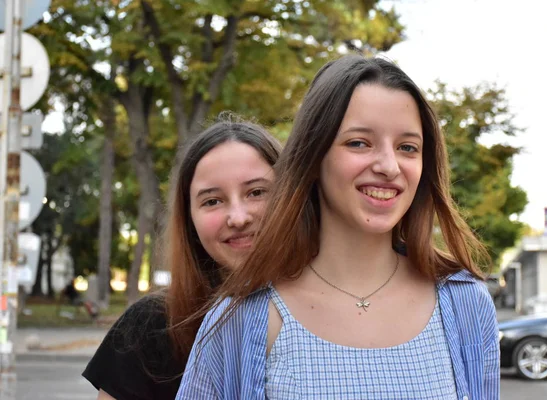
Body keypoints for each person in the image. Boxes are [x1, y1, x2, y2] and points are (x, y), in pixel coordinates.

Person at [177, 55, 500, 400]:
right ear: (313, 157)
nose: (389, 166)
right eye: (359, 142)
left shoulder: (466, 304)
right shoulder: (238, 320)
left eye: (408, 147)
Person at [82, 115, 282, 400]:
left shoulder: (335, 309)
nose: (238, 218)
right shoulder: (152, 325)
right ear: (190, 220)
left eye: (257, 192)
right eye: (212, 201)